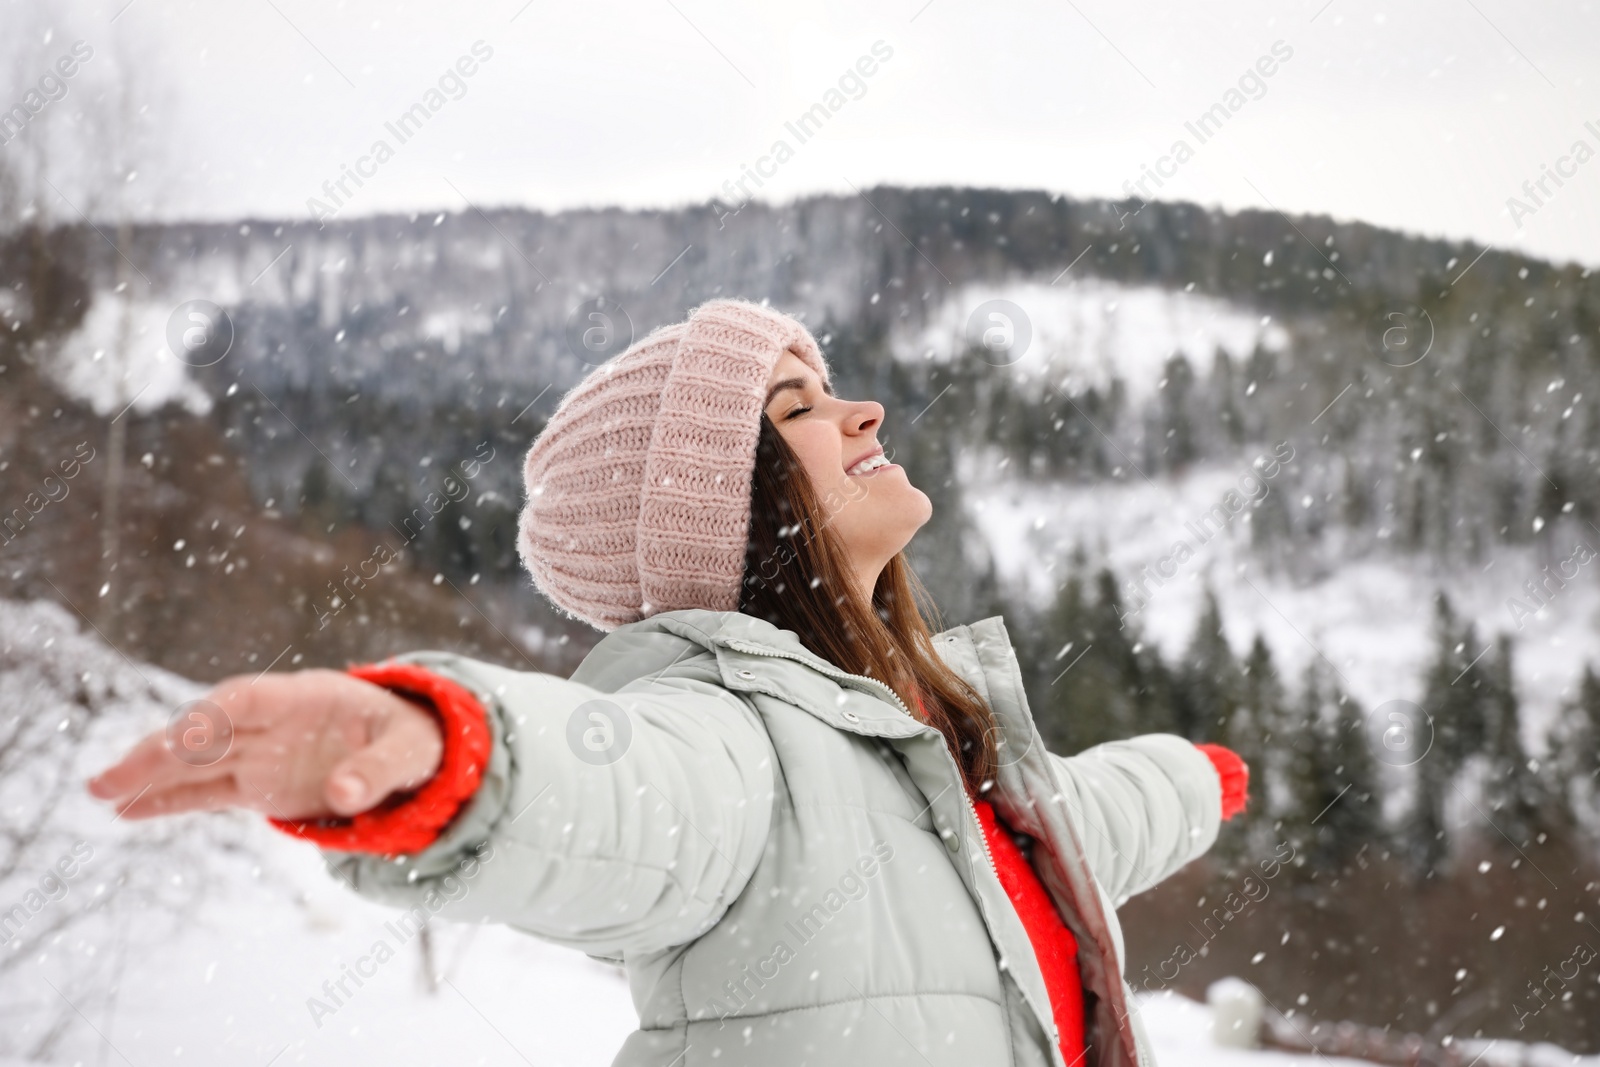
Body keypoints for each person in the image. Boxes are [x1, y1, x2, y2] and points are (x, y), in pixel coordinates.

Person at [88, 298, 1248, 1067]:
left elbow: (1056, 833)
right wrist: (450, 752)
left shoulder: (917, 728)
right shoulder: (731, 732)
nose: (861, 410)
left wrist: (1190, 777)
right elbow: (623, 798)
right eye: (794, 408)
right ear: (731, 512)